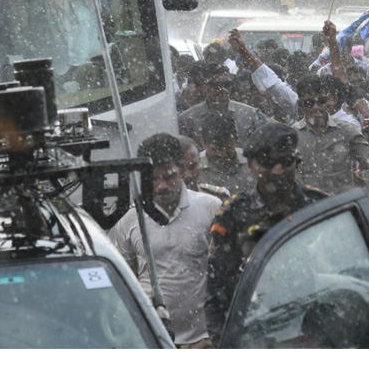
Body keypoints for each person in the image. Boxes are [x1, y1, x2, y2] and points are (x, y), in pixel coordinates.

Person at [204, 122, 328, 345]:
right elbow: (216, 289)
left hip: (317, 327)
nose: (277, 171)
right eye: (269, 163)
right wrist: (224, 342)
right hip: (258, 332)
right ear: (251, 165)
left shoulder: (321, 206)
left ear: (296, 161)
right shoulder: (232, 216)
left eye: (285, 161)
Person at [106, 133, 221, 348]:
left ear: (182, 171)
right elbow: (124, 281)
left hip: (206, 339)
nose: (161, 187)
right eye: (153, 179)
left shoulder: (210, 207)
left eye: (169, 177)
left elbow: (225, 271)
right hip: (152, 340)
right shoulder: (130, 219)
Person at [292, 74, 369, 196]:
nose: (316, 107)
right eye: (309, 103)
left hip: (342, 207)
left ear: (328, 101)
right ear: (301, 106)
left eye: (321, 101)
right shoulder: (292, 136)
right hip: (308, 209)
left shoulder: (347, 130)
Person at [178, 62, 267, 148]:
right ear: (205, 86)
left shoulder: (249, 113)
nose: (222, 89)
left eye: (227, 84)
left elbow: (260, 147)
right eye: (217, 85)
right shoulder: (187, 119)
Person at [198, 110, 251, 197]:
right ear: (203, 143)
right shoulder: (195, 168)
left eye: (228, 149)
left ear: (236, 140)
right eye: (215, 150)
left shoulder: (250, 163)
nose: (223, 155)